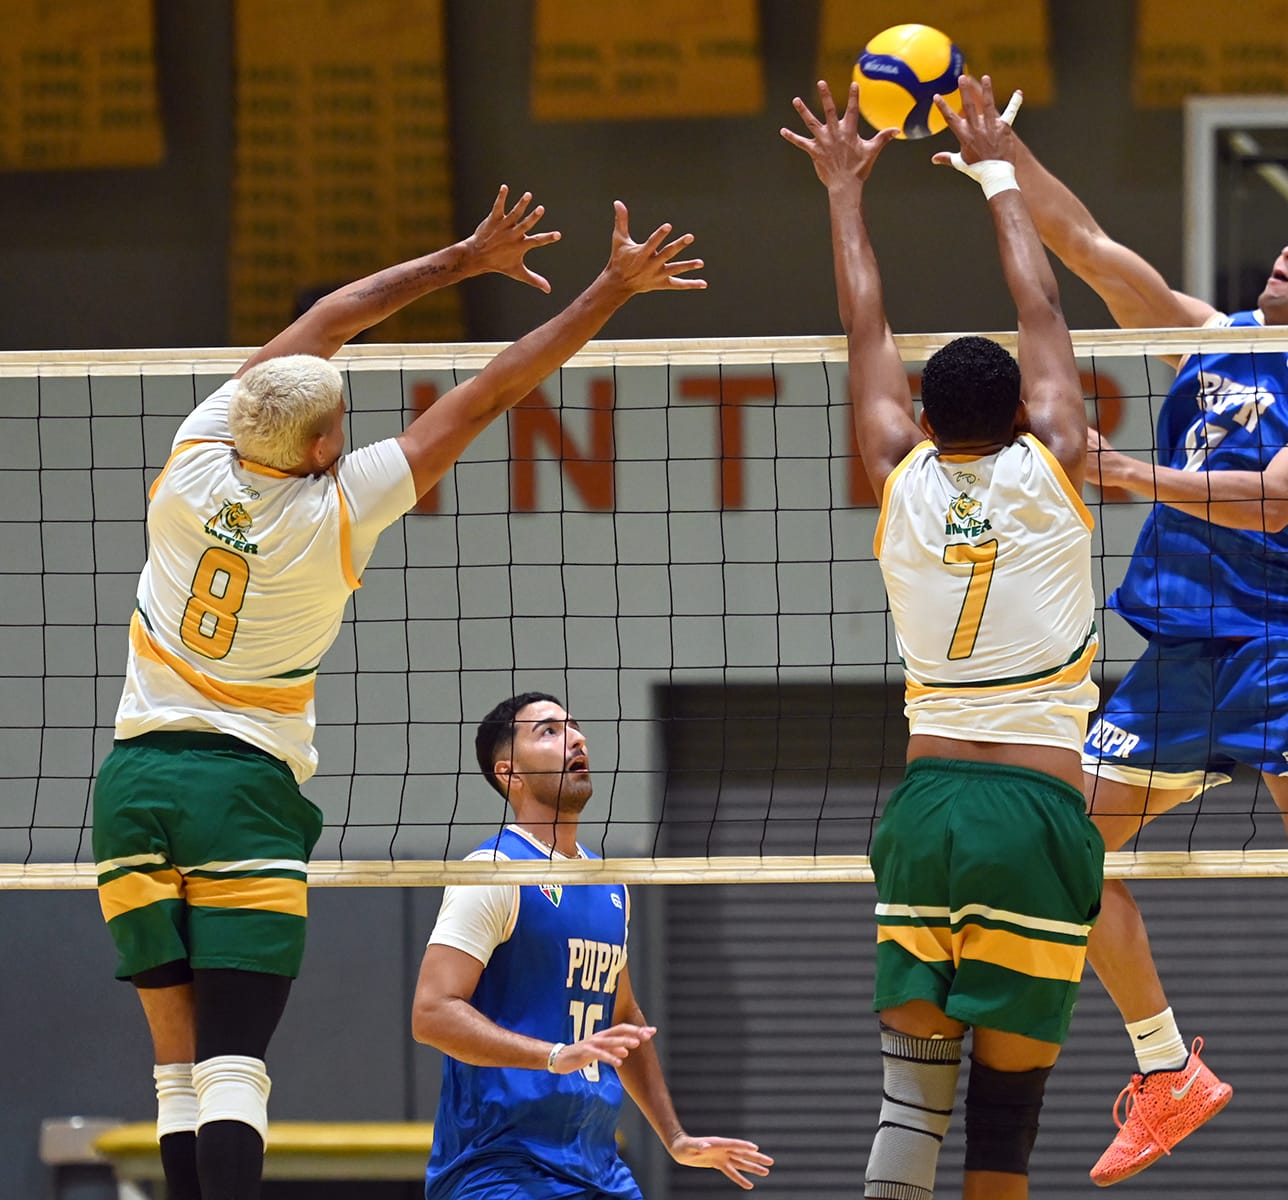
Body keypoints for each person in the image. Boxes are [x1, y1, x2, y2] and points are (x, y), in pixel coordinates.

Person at [91, 189, 706, 1200]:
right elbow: (496, 388)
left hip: (131, 782)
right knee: (234, 1062)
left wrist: (459, 261)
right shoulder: (339, 508)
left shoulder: (198, 451)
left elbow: (327, 322)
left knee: (174, 1068)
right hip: (241, 792)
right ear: (324, 448)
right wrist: (607, 287)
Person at [1001, 115, 1288, 1195]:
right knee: (1063, 855)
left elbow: (1279, 503)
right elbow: (1087, 246)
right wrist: (998, 157)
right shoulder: (1215, 335)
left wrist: (1120, 470)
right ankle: (1166, 1071)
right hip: (1182, 652)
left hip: (1284, 651)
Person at [783, 75, 1103, 1200]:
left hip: (922, 812)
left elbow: (862, 322)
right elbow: (1044, 310)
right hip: (1036, 811)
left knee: (909, 1103)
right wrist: (997, 171)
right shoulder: (1056, 457)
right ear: (1027, 411)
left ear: (920, 417)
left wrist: (841, 190)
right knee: (1004, 1127)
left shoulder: (892, 469)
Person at [411, 692, 774, 1198]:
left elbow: (623, 1019)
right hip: (502, 1171)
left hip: (597, 1168)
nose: (577, 739)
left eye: (574, 728)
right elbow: (431, 1013)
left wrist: (675, 1137)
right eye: (550, 732)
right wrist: (555, 1054)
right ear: (510, 773)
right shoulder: (493, 871)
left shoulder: (608, 884)